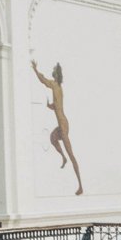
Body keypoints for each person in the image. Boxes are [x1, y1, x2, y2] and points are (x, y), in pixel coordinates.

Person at [32, 58, 83, 193]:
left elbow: (43, 81)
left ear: (56, 74)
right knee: (53, 138)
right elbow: (57, 106)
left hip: (63, 125)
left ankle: (80, 186)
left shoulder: (54, 85)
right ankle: (63, 157)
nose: (52, 71)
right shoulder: (59, 88)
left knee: (72, 154)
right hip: (62, 122)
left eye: (53, 70)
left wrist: (35, 69)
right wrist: (51, 106)